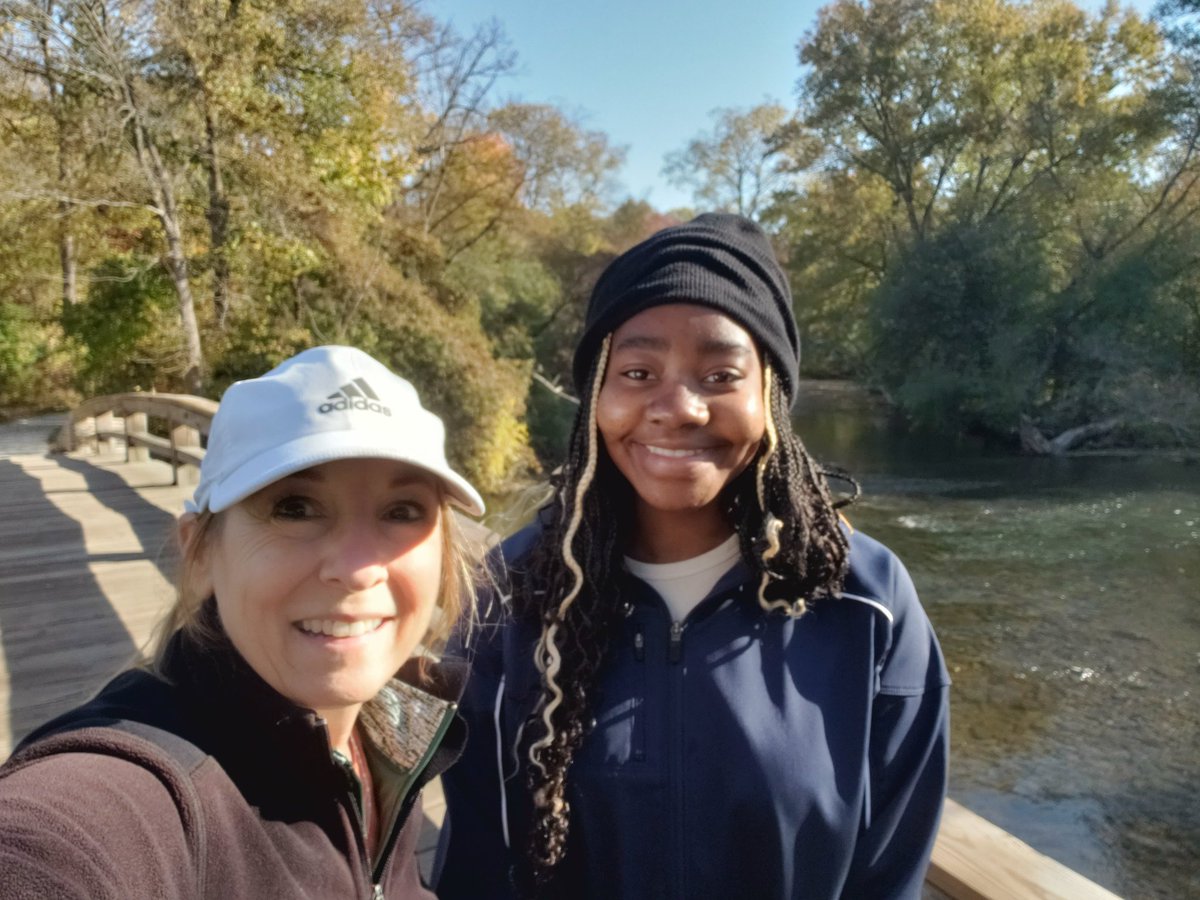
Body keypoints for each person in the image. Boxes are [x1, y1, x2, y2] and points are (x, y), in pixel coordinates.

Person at [435, 214, 950, 899]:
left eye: (719, 374)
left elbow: (889, 872)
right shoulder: (512, 596)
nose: (678, 408)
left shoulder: (867, 603)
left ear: (770, 395)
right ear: (596, 395)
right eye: (639, 371)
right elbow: (474, 865)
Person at [0, 345, 486, 899]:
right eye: (295, 507)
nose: (356, 570)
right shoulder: (139, 791)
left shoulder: (388, 727)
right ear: (200, 553)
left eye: (401, 511)